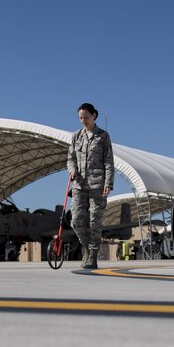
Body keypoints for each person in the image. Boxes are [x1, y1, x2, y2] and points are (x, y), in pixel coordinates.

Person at [66, 103, 114, 270]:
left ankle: (92, 255)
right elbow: (70, 158)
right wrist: (72, 169)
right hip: (79, 185)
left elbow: (109, 161)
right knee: (76, 221)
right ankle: (86, 247)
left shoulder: (103, 136)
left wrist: (108, 183)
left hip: (97, 186)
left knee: (94, 222)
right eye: (80, 118)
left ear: (94, 115)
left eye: (86, 117)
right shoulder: (76, 137)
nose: (83, 121)